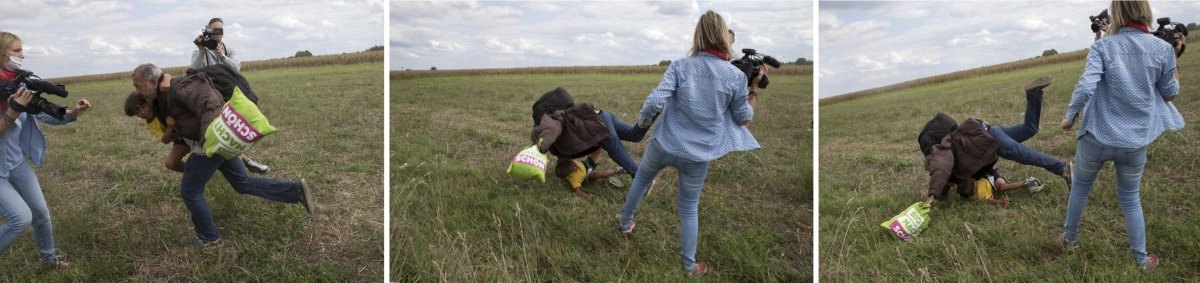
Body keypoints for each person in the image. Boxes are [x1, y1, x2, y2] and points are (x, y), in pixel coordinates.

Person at [616, 11, 761, 277]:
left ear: (698, 35)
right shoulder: (736, 77)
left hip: (663, 143)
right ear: (723, 36)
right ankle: (688, 265)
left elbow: (653, 102)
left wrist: (643, 125)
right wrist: (753, 90)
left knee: (641, 181)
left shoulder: (681, 66)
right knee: (688, 206)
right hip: (698, 155)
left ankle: (625, 222)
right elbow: (743, 119)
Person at [1058, 0, 1184, 271]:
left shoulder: (1103, 46)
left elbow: (1085, 87)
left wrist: (1069, 118)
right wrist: (1174, 58)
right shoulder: (1162, 49)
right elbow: (1170, 93)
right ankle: (1141, 260)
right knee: (1130, 198)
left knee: (1080, 189)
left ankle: (1069, 239)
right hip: (1134, 141)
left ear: (1116, 14)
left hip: (1096, 137)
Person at [130, 63, 313, 247]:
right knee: (243, 183)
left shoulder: (180, 87)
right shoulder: (162, 94)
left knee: (190, 191)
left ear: (152, 81)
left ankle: (209, 238)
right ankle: (295, 191)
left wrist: (207, 139)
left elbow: (210, 101)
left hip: (210, 144)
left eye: (137, 86)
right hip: (218, 143)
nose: (137, 91)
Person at [0, 31, 90, 269]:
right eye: (17, 50)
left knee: (40, 213)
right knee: (19, 219)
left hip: (15, 162)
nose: (23, 54)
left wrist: (71, 114)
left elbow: (39, 112)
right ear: (2, 53)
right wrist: (12, 112)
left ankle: (49, 261)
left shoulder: (18, 84)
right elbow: (12, 115)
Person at [918, 77, 1071, 205]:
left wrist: (932, 196)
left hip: (993, 139)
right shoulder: (958, 152)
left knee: (1020, 153)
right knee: (1029, 128)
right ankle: (1034, 94)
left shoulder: (943, 148)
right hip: (992, 132)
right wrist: (938, 196)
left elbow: (941, 167)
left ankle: (1062, 168)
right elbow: (944, 177)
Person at [189, 17, 269, 173]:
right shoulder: (200, 50)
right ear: (208, 31)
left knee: (230, 128)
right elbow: (192, 70)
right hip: (207, 94)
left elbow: (237, 68)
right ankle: (245, 161)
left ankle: (240, 161)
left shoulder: (228, 49)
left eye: (220, 30)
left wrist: (222, 57)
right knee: (219, 129)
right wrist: (201, 52)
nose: (218, 33)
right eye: (214, 30)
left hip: (226, 92)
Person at [531, 87, 648, 179]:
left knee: (616, 151)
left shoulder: (552, 120)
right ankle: (651, 113)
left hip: (598, 126)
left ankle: (643, 181)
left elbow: (551, 131)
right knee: (635, 135)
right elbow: (562, 152)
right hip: (602, 115)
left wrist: (536, 150)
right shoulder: (567, 117)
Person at [123, 92, 188, 172]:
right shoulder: (150, 125)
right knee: (170, 163)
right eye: (138, 112)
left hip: (190, 131)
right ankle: (194, 171)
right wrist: (169, 128)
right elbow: (165, 140)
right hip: (181, 140)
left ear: (148, 102)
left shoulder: (161, 105)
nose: (143, 112)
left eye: (143, 107)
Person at [553, 149, 623, 200]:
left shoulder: (567, 163)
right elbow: (578, 191)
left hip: (587, 163)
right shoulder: (574, 179)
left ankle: (601, 143)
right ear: (568, 174)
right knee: (597, 174)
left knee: (597, 150)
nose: (574, 164)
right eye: (573, 167)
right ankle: (617, 171)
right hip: (588, 175)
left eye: (572, 162)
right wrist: (587, 196)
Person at [968, 168, 1043, 208]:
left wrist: (1001, 202)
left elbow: (991, 200)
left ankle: (1028, 182)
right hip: (990, 178)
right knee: (1001, 186)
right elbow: (991, 200)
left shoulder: (968, 185)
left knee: (1002, 186)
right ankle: (1027, 183)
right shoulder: (980, 195)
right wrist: (1001, 202)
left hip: (985, 174)